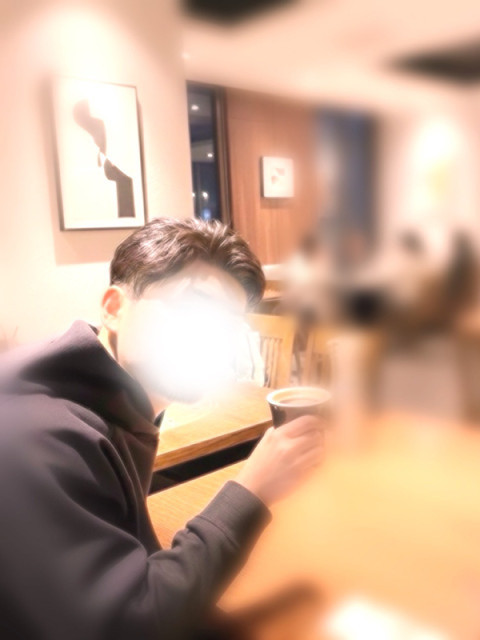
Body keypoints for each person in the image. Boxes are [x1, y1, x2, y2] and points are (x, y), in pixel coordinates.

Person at [0, 217, 324, 640]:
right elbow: (129, 626)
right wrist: (252, 490)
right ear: (114, 308)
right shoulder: (39, 438)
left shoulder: (101, 401)